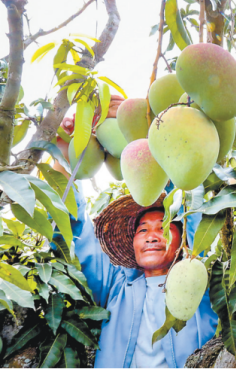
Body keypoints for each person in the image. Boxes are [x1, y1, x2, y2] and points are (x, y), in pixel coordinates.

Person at [53, 101, 217, 368]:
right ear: (132, 243)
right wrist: (62, 152)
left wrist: (144, 125)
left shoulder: (202, 281)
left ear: (183, 240)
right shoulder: (116, 286)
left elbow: (192, 192)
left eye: (163, 227)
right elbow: (71, 230)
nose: (152, 236)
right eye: (143, 230)